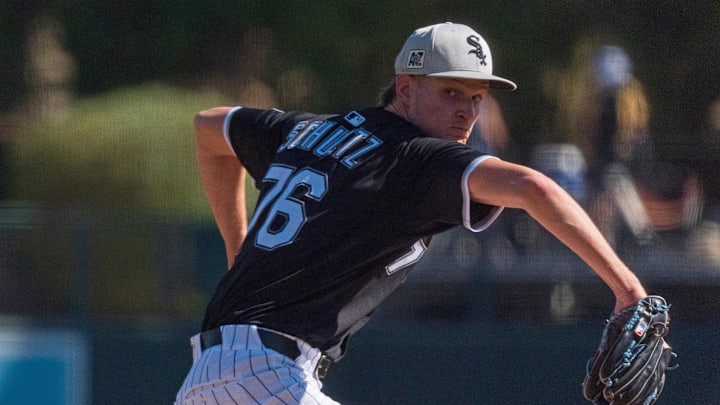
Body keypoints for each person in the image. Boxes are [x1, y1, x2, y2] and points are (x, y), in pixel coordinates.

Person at [175, 22, 649, 404]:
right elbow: (532, 186)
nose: (467, 112)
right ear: (405, 88)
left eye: (477, 98)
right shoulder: (415, 157)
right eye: (451, 93)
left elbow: (208, 130)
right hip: (267, 378)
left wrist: (237, 250)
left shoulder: (309, 129)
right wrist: (627, 290)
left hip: (207, 378)